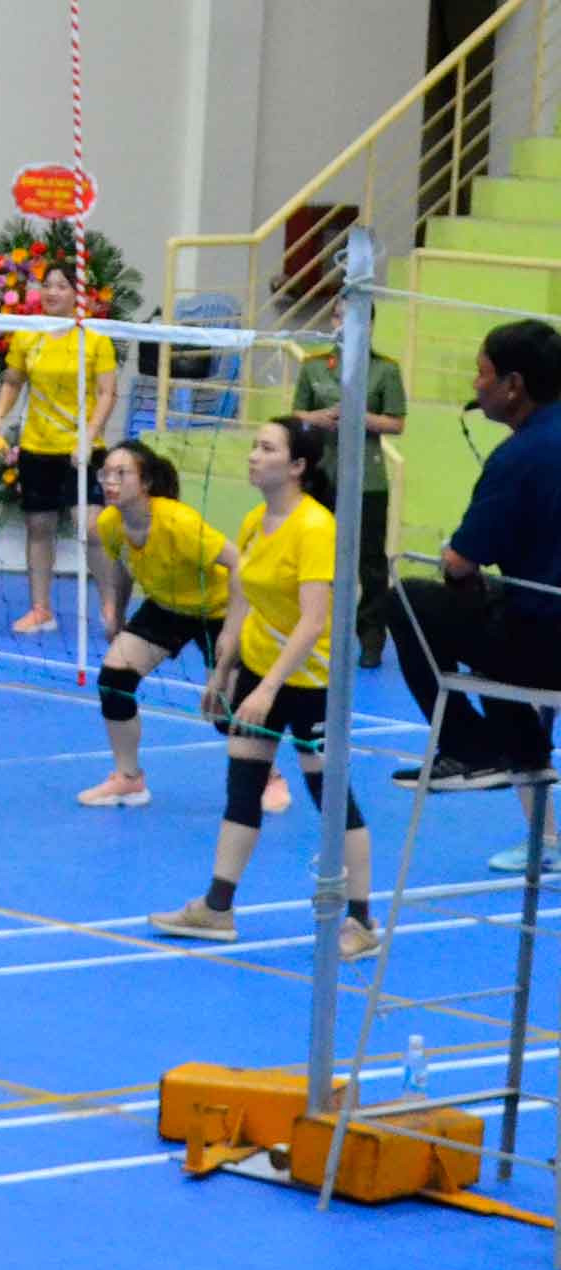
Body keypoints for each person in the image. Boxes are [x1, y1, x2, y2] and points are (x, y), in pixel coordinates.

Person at [148, 419, 383, 960]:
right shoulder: (256, 520)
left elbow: (313, 621)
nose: (253, 455)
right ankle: (217, 908)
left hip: (311, 680)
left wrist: (269, 689)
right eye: (254, 446)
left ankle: (361, 919)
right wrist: (223, 668)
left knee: (331, 798)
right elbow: (243, 598)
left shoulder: (316, 527)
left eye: (267, 448)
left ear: (297, 466)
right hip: (258, 668)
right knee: (243, 786)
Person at [390, 319, 561, 873]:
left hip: (546, 644)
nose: (475, 384)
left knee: (409, 600)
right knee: (493, 619)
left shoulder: (518, 458)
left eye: (482, 373)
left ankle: (468, 746)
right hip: (537, 616)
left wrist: (456, 565)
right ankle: (531, 782)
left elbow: (461, 562)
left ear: (513, 385)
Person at [79, 439, 233, 809]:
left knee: (224, 709)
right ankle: (129, 779)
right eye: (106, 474)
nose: (110, 482)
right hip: (166, 606)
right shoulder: (110, 523)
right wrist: (115, 612)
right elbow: (120, 567)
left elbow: (239, 564)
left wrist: (233, 631)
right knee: (114, 681)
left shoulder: (178, 522)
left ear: (145, 482)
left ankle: (268, 778)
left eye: (121, 474)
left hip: (219, 609)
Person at [0, 307, 119, 635]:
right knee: (38, 527)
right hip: (36, 448)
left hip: (82, 450)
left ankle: (111, 607)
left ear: (76, 294)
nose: (53, 291)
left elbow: (107, 393)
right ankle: (41, 610)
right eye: (48, 285)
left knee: (91, 527)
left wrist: (88, 436)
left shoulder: (95, 339)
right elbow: (13, 381)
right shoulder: (28, 334)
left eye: (62, 286)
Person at [291, 295, 406, 668]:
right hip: (321, 474)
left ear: (369, 325)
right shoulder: (313, 366)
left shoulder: (385, 370)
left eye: (353, 318)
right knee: (315, 556)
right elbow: (296, 414)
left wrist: (361, 416)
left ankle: (370, 637)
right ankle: (313, 632)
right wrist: (317, 418)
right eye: (338, 316)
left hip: (367, 479)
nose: (343, 324)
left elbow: (396, 423)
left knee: (369, 563)